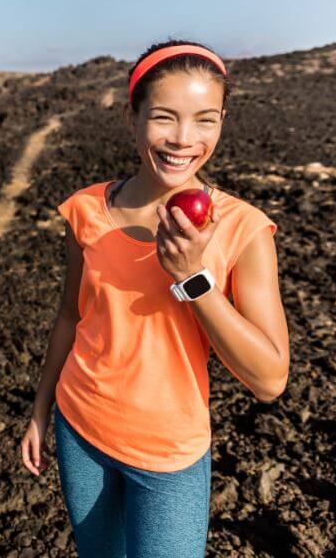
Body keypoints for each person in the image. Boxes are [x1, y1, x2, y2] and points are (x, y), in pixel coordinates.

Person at [19, 39, 290, 557]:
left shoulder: (243, 229)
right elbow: (69, 317)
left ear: (222, 122)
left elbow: (270, 379)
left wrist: (194, 278)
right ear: (132, 118)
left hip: (169, 456)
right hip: (78, 427)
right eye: (164, 117)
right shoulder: (87, 211)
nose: (184, 140)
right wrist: (40, 408)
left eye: (205, 120)